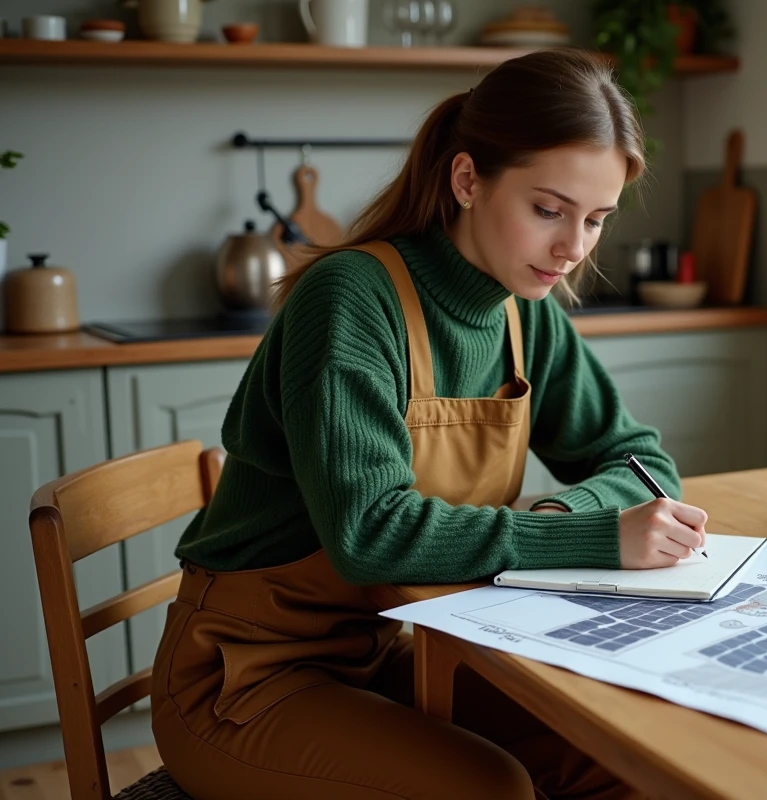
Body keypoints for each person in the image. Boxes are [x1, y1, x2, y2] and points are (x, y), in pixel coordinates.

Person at [150, 47, 710, 800]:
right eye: (548, 209)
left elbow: (640, 459)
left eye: (596, 219)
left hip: (384, 656)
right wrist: (599, 534)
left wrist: (559, 511)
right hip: (247, 678)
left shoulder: (522, 310)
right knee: (492, 789)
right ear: (468, 179)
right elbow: (369, 534)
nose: (573, 248)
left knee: (623, 753)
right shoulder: (351, 301)